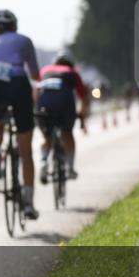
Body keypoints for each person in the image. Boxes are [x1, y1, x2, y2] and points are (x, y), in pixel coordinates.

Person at [0, 9, 41, 219]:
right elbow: (34, 73)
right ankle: (28, 205)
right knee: (26, 152)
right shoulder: (24, 40)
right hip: (17, 83)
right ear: (14, 25)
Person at [36, 52, 90, 182]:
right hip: (64, 103)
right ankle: (70, 168)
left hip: (44, 103)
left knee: (46, 136)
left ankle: (43, 161)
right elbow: (84, 98)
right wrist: (81, 115)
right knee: (67, 134)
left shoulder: (44, 70)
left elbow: (36, 92)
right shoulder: (72, 71)